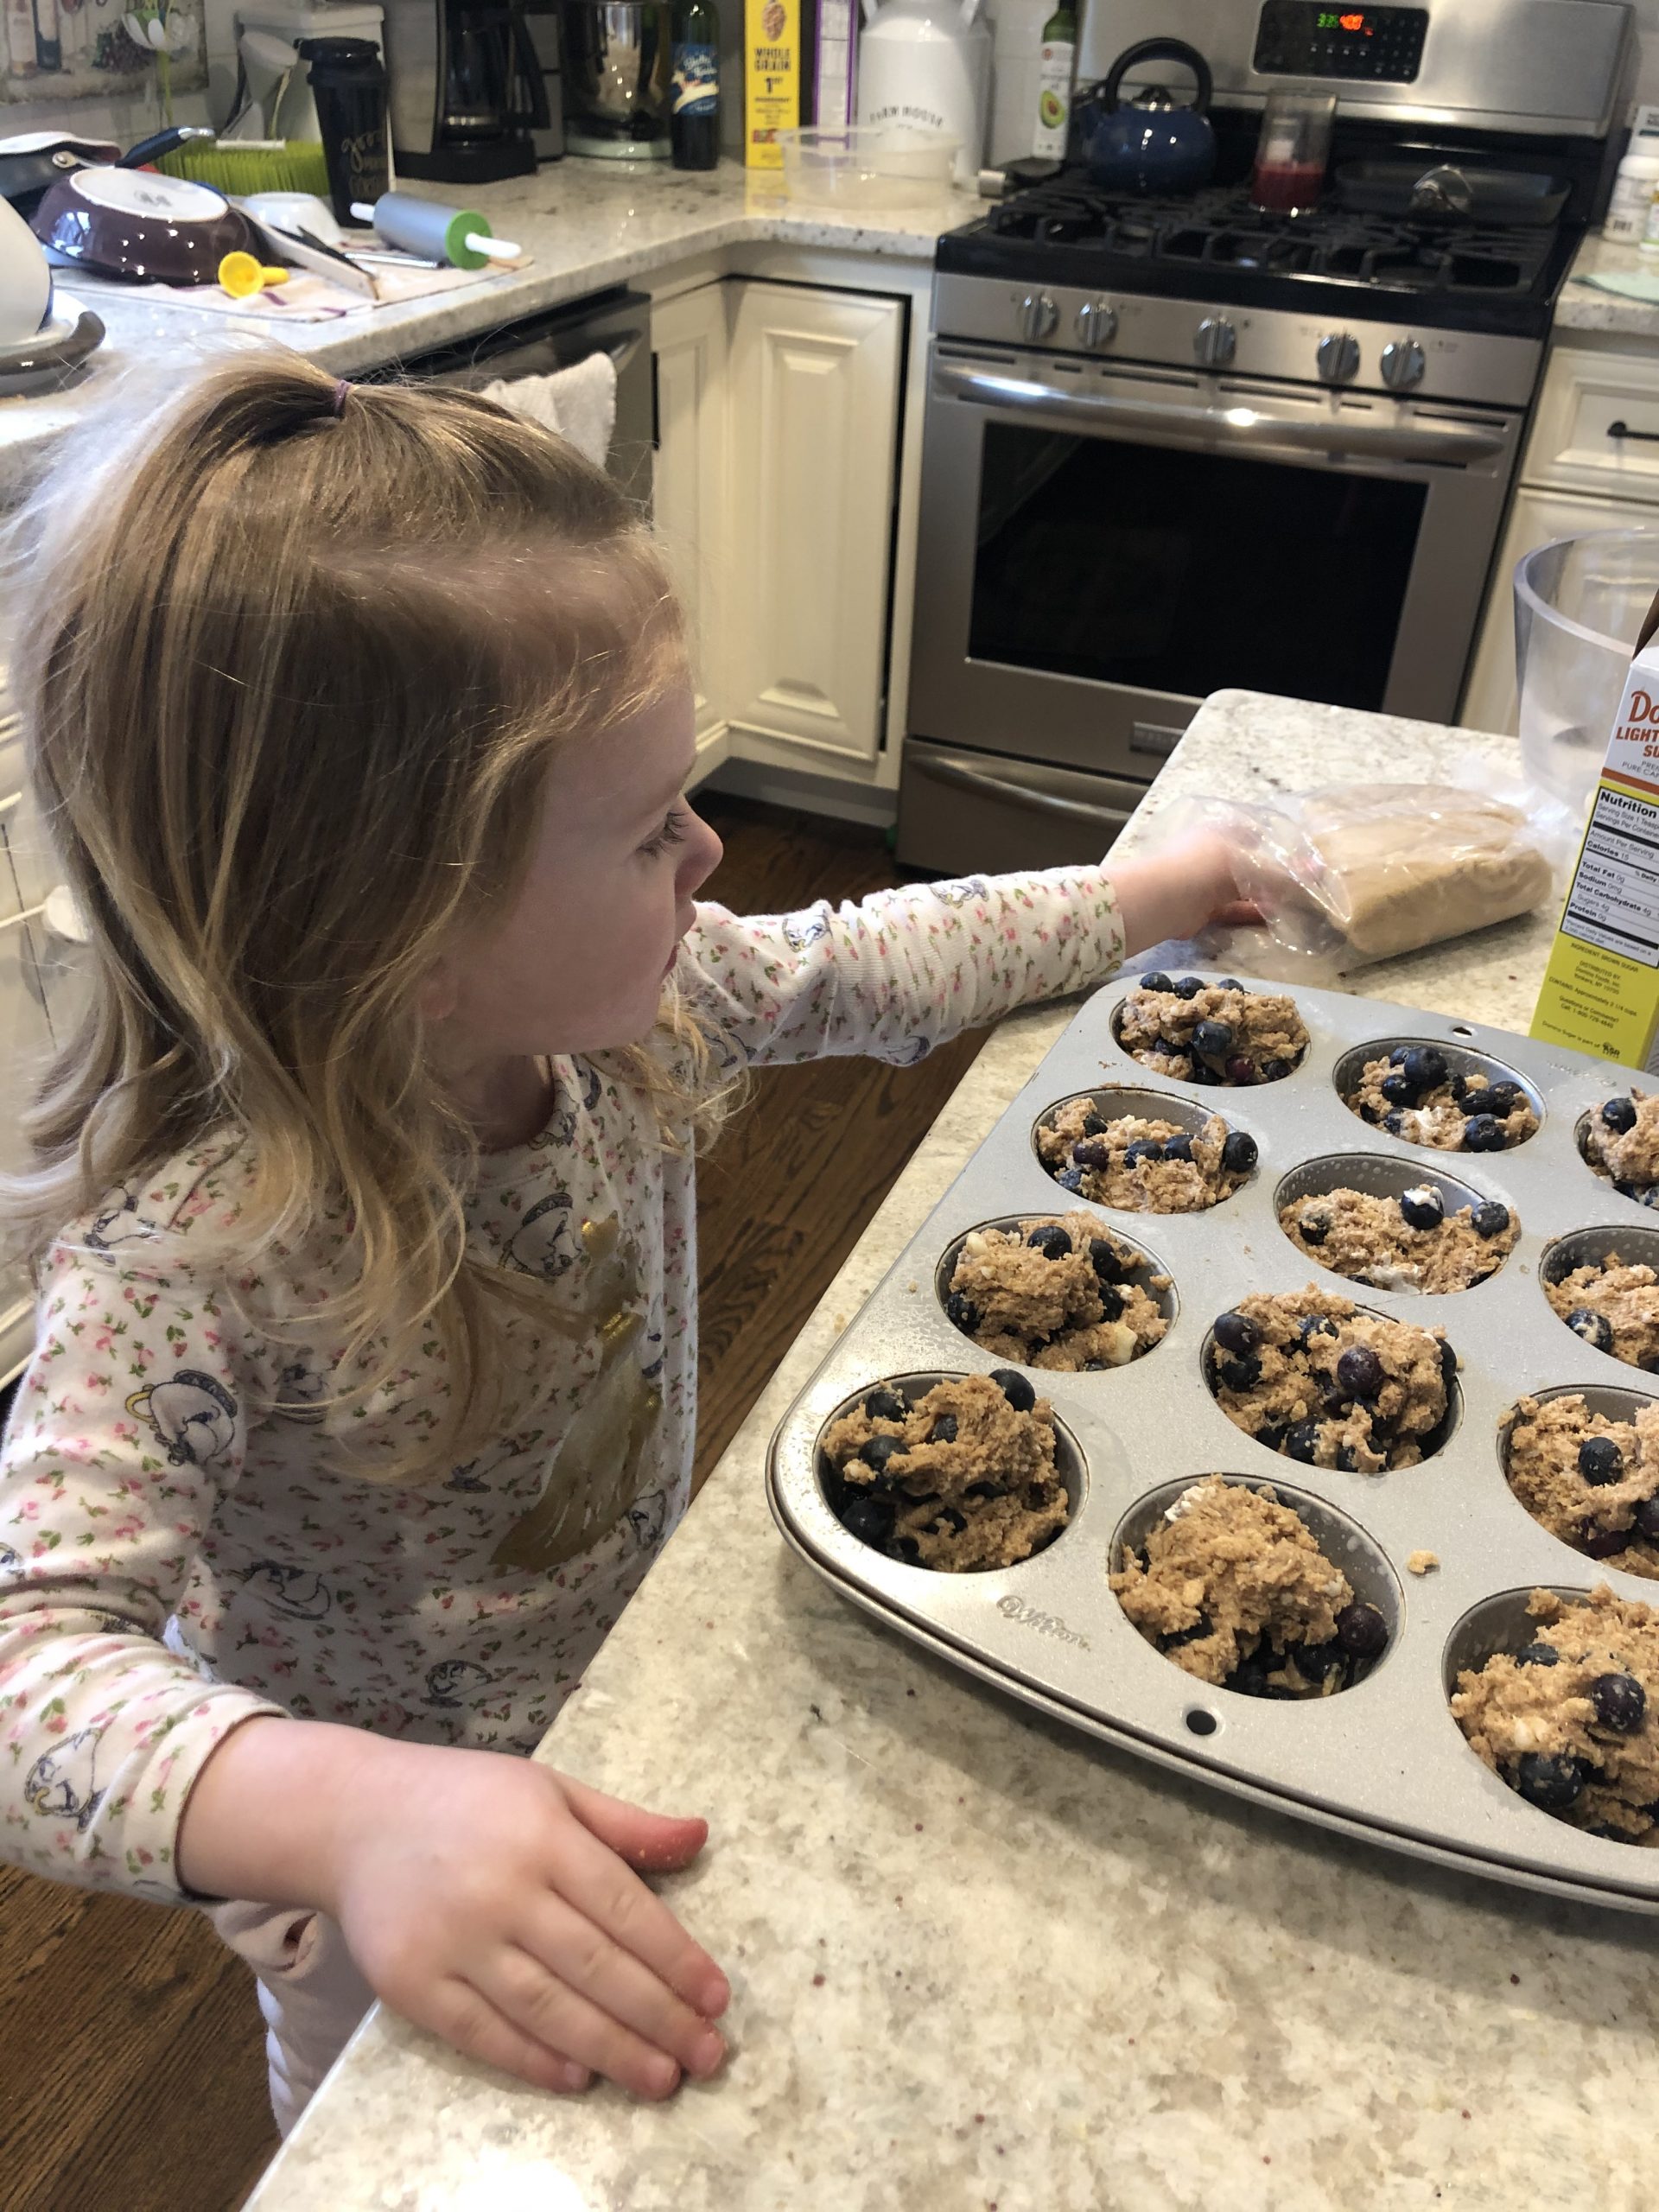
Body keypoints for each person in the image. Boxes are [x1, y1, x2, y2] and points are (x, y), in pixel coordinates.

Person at [0, 355, 1250, 2138]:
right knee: (388, 2109)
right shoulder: (196, 1257)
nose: (709, 851)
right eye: (649, 824)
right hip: (387, 1855)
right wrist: (337, 1817)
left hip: (615, 1689)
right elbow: (30, 1654)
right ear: (398, 922)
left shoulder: (634, 1023)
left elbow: (871, 956)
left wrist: (1153, 891)